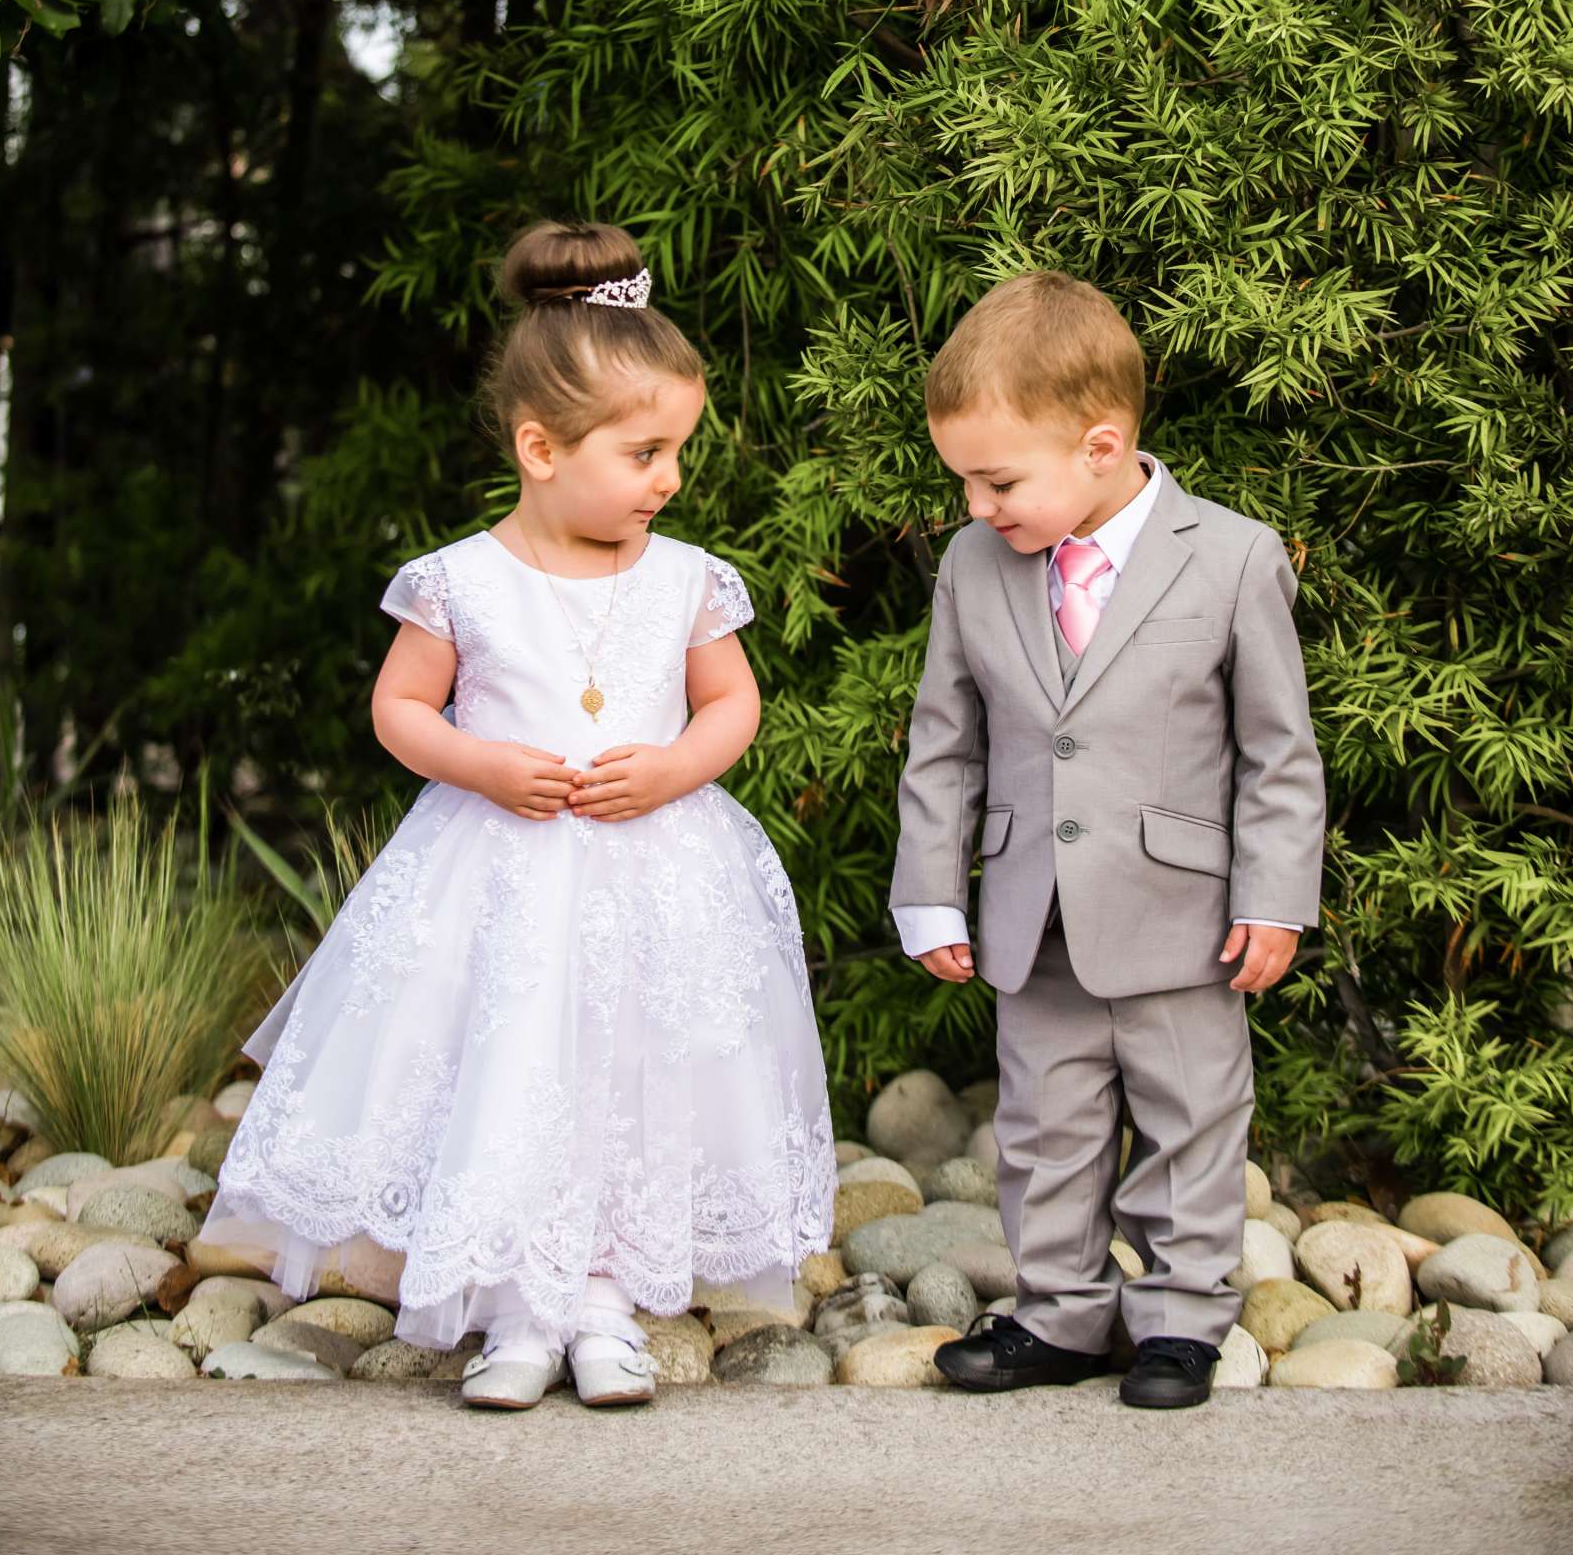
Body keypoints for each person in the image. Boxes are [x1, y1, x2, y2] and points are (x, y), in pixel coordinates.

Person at [204, 220, 836, 1409]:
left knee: (630, 1070)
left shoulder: (688, 577)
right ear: (540, 446)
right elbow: (400, 708)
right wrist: (483, 763)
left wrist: (673, 770)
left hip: (655, 871)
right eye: (646, 452)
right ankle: (512, 1307)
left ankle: (602, 1298)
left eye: (677, 453)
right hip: (497, 871)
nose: (671, 479)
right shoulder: (461, 579)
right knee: (509, 1065)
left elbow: (731, 704)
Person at [890, 271, 1324, 1408]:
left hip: (1184, 916)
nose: (979, 506)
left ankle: (1183, 1321)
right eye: (965, 483)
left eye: (997, 480)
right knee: (1042, 1127)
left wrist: (1274, 897)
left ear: (1100, 444)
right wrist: (932, 893)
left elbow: (1278, 751)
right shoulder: (973, 567)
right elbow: (944, 739)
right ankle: (1061, 1313)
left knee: (1191, 1120)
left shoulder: (1230, 557)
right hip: (1032, 916)